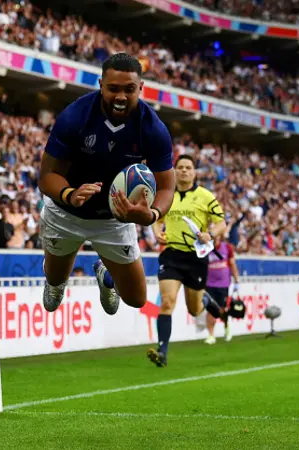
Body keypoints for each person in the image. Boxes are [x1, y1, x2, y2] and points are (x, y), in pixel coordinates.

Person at [37, 53, 175, 316]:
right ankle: (54, 278)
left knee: (136, 299)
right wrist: (69, 194)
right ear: (101, 85)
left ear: (141, 88)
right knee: (53, 290)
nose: (121, 96)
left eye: (129, 89)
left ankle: (104, 272)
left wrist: (152, 214)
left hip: (115, 219)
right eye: (113, 88)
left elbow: (166, 186)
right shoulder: (75, 117)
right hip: (66, 212)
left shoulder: (153, 129)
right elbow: (46, 176)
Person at [147, 155, 227, 367]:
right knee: (167, 302)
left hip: (196, 258)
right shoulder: (165, 194)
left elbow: (222, 224)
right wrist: (156, 232)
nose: (183, 171)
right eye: (180, 167)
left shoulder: (205, 196)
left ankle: (206, 301)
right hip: (171, 255)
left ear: (194, 172)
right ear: (175, 171)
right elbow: (156, 218)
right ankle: (162, 351)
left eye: (188, 168)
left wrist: (210, 233)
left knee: (194, 309)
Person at [203, 234, 240, 344]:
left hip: (223, 284)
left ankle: (226, 326)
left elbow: (232, 264)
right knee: (210, 309)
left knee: (222, 310)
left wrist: (236, 280)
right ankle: (211, 335)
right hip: (209, 284)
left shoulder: (227, 248)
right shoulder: (205, 250)